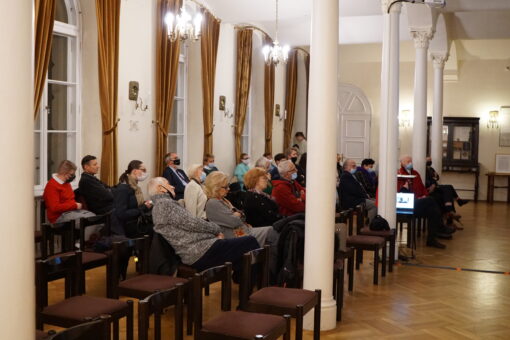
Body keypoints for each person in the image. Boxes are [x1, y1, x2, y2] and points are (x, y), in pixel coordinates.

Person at [149, 177, 259, 278]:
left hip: (199, 249)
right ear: (161, 188)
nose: (173, 186)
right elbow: (192, 223)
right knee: (250, 242)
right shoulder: (165, 204)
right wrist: (216, 229)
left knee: (243, 252)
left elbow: (190, 225)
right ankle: (249, 291)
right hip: (200, 252)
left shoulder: (161, 205)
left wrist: (213, 234)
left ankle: (243, 284)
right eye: (168, 184)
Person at [398, 155, 453, 249]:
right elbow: (399, 192)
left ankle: (432, 239)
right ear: (402, 163)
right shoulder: (399, 174)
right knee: (432, 201)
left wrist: (424, 195)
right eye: (408, 161)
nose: (410, 163)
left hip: (419, 201)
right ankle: (441, 228)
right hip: (408, 203)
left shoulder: (415, 173)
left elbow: (422, 188)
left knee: (433, 211)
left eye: (411, 161)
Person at [204, 172, 272, 246]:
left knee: (273, 230)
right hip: (236, 237)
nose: (229, 189)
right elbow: (234, 222)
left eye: (228, 186)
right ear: (216, 188)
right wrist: (237, 215)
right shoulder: (213, 203)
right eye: (226, 187)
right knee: (272, 231)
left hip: (243, 231)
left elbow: (243, 215)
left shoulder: (223, 200)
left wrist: (237, 215)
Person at [113, 160, 152, 236]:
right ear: (134, 171)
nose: (146, 173)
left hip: (138, 220)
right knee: (159, 231)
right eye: (143, 170)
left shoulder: (136, 188)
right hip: (130, 226)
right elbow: (121, 214)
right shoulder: (123, 189)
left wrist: (145, 204)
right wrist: (144, 207)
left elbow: (135, 206)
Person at [340, 159, 377, 223]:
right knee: (374, 205)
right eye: (353, 166)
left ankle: (371, 222)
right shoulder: (345, 176)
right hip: (352, 201)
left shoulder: (350, 175)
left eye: (355, 166)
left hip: (355, 198)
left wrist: (365, 196)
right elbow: (354, 190)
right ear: (346, 167)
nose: (355, 168)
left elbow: (358, 188)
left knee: (375, 201)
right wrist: (365, 196)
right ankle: (371, 225)